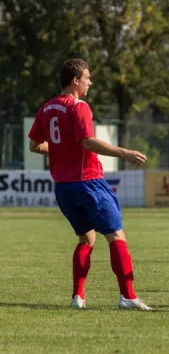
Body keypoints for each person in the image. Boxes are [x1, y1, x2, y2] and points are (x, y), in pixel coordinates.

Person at [27, 59, 151, 310]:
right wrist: (124, 152)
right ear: (75, 80)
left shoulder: (47, 108)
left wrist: (61, 149)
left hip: (64, 188)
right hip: (89, 183)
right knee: (116, 235)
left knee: (87, 238)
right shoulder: (78, 106)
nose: (90, 82)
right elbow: (88, 142)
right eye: (87, 77)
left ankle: (78, 297)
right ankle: (127, 296)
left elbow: (35, 146)